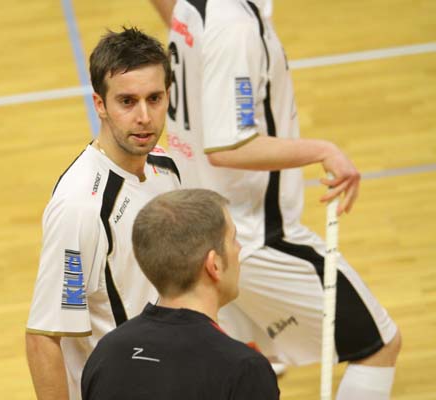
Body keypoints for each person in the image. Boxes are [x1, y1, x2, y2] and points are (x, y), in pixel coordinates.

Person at [150, 0, 402, 398]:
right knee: (379, 343)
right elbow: (228, 147)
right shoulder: (234, 28)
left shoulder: (195, 8)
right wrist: (323, 150)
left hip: (201, 222)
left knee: (242, 361)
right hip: (253, 237)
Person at [25, 27, 181, 400]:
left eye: (154, 98)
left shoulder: (165, 167)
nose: (144, 116)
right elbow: (43, 337)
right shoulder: (81, 207)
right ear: (100, 104)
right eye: (127, 101)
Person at [82, 189, 280, 400]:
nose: (239, 248)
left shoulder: (107, 352)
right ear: (214, 265)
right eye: (233, 239)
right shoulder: (244, 369)